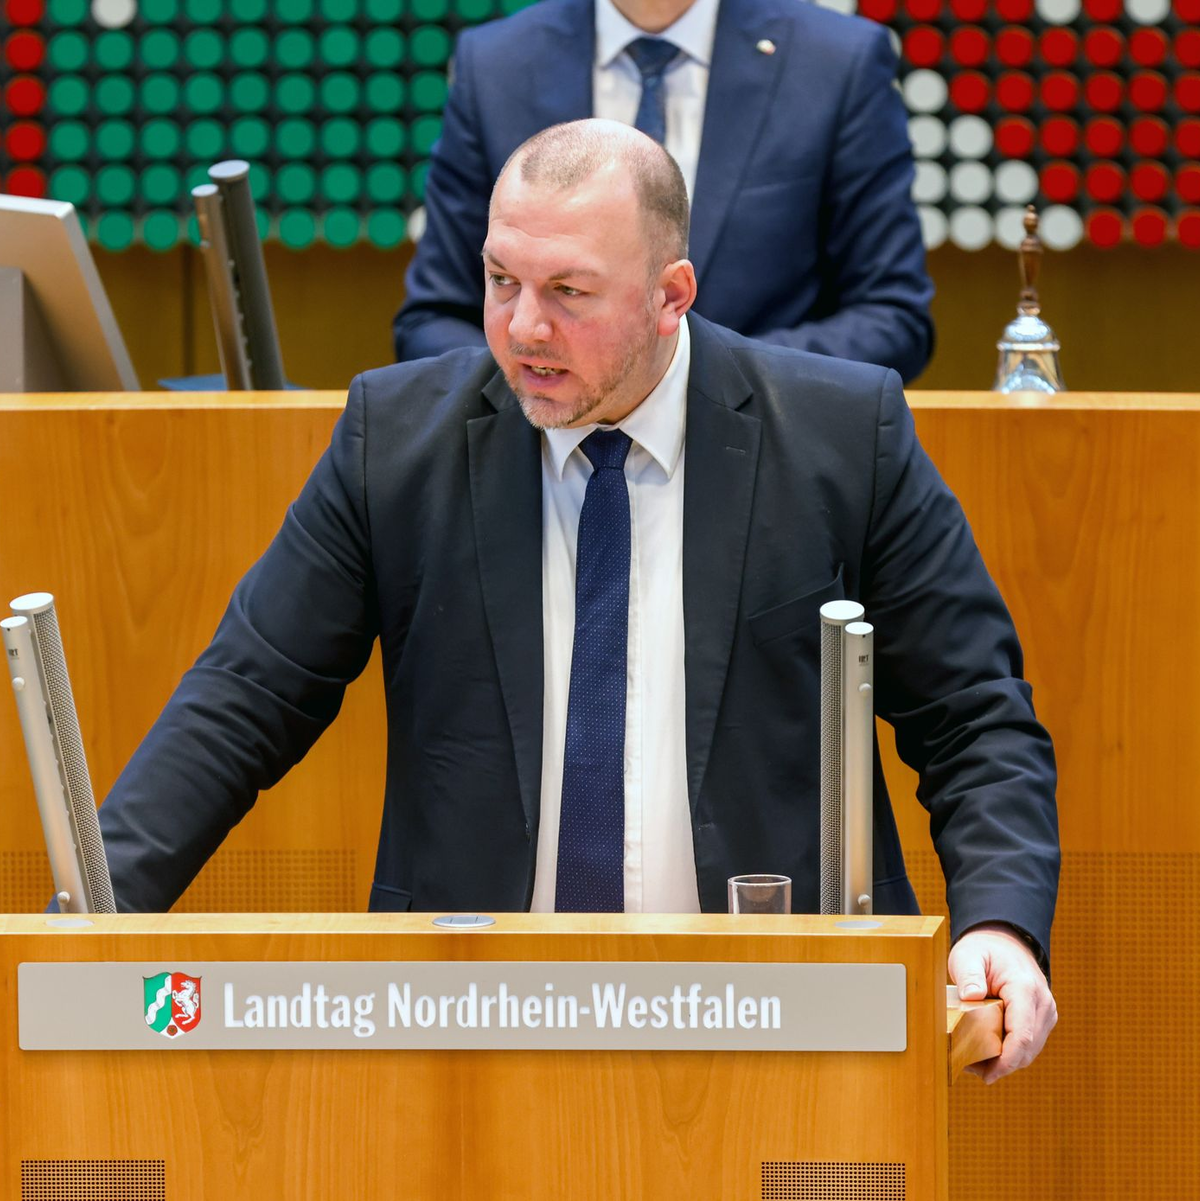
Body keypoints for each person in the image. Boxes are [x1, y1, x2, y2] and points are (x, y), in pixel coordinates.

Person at [94, 121, 1056, 1082]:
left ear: (669, 295)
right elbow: (245, 696)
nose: (523, 328)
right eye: (502, 280)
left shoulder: (843, 435)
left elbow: (972, 716)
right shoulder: (396, 441)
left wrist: (1000, 921)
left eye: (569, 293)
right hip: (475, 1026)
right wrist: (92, 922)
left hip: (780, 1013)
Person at [392, 0, 935, 383]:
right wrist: (549, 377)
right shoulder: (497, 64)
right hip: (538, 463)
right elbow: (430, 322)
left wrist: (693, 387)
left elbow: (891, 318)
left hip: (770, 463)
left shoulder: (837, 62)